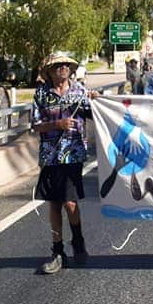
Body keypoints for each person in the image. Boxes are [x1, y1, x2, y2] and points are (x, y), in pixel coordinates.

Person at [31, 52, 99, 274]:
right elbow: (35, 124)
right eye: (57, 65)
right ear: (49, 71)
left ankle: (78, 242)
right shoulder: (41, 93)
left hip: (73, 154)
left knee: (69, 202)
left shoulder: (80, 91)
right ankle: (57, 252)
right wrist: (57, 124)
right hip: (50, 155)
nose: (62, 68)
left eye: (66, 65)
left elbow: (94, 114)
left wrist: (97, 100)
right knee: (53, 203)